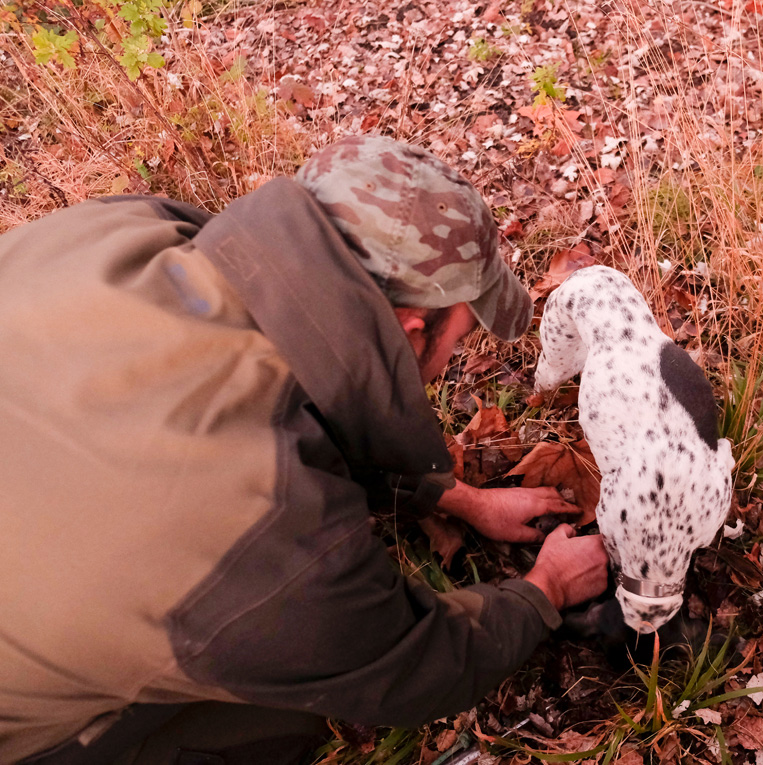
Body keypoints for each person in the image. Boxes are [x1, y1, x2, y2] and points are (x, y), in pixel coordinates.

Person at [0, 135, 609, 765]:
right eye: (460, 332)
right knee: (279, 718)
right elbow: (412, 664)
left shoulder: (118, 228)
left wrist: (456, 498)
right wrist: (545, 590)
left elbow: (289, 379)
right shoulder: (274, 546)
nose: (458, 355)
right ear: (411, 330)